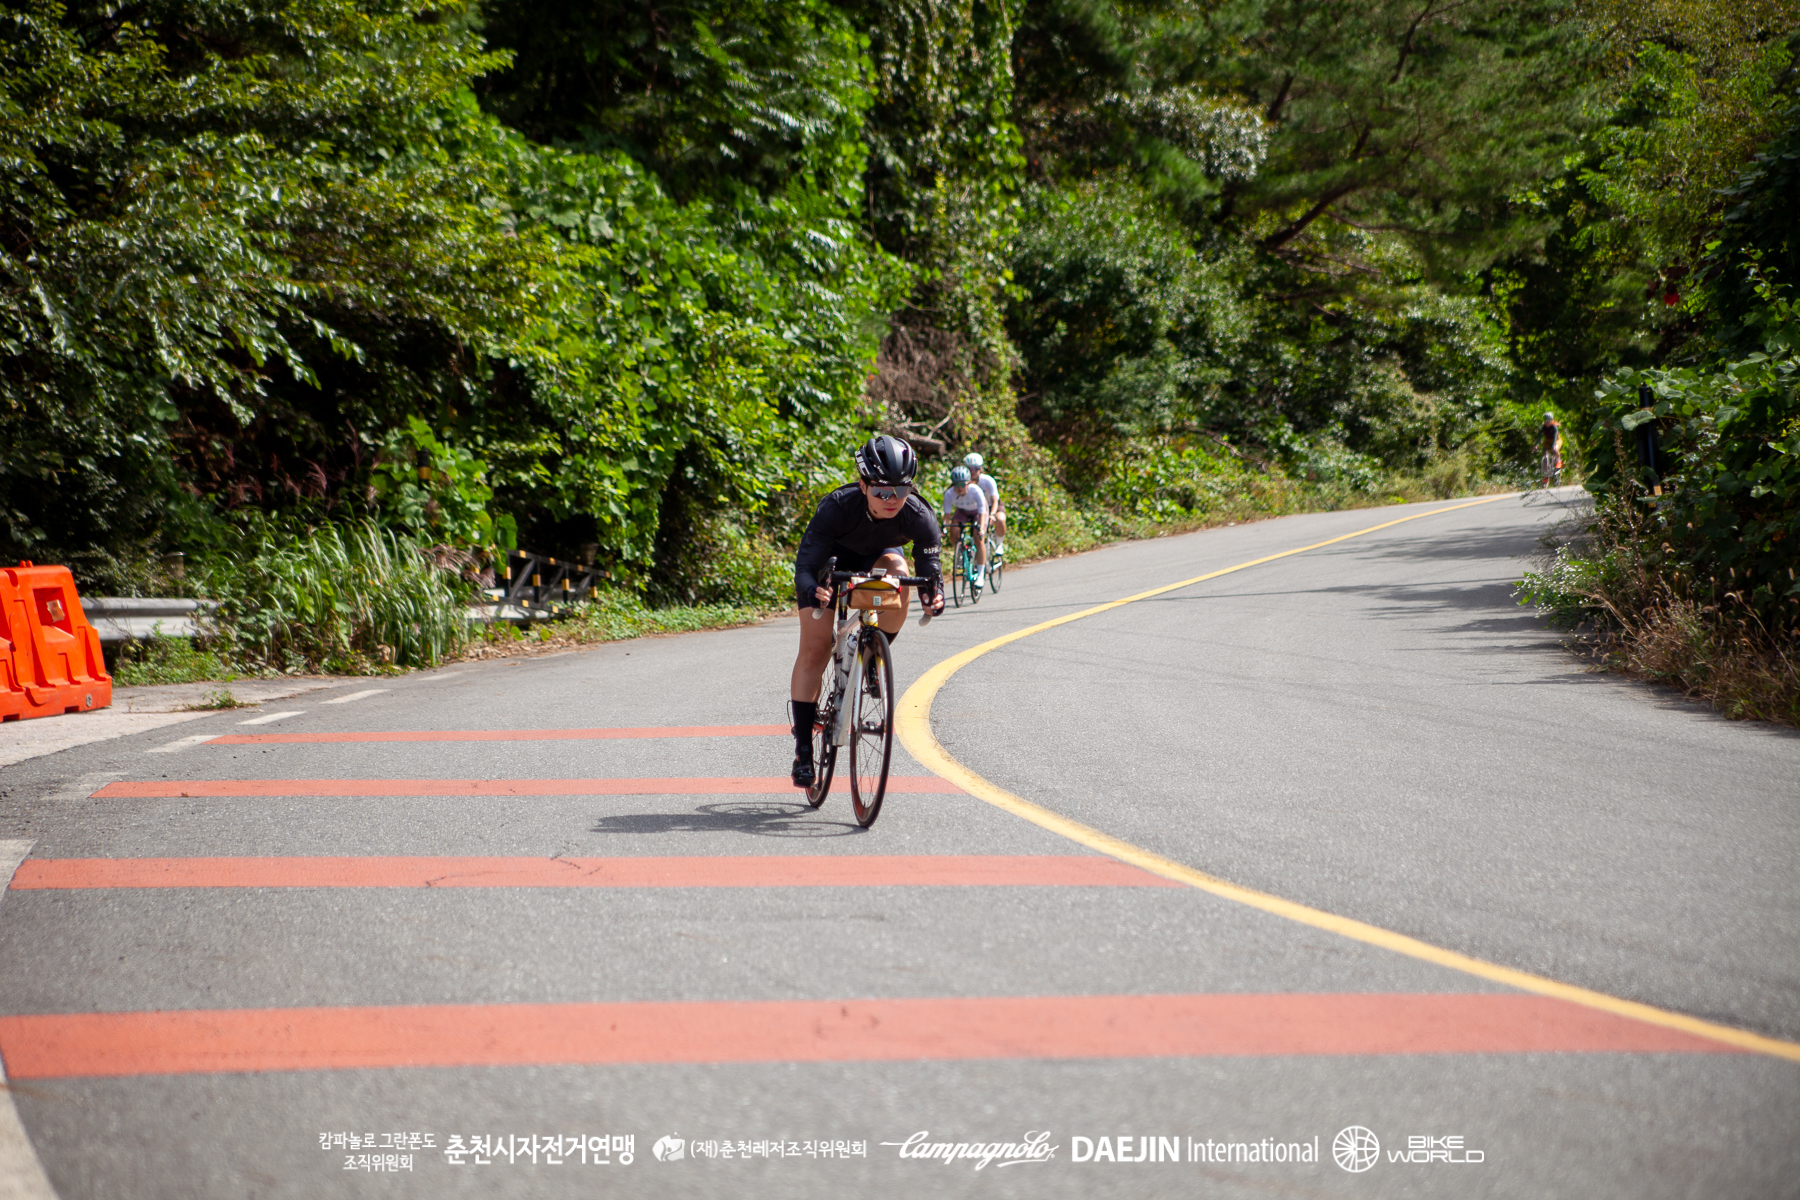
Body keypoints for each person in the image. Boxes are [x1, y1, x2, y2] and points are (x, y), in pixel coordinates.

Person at [788, 434, 943, 787]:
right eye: (882, 492)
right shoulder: (836, 507)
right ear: (863, 485)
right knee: (815, 649)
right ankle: (803, 750)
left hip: (879, 558)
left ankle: (872, 651)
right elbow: (805, 568)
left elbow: (930, 571)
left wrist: (933, 596)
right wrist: (814, 590)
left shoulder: (919, 515)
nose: (892, 500)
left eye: (901, 491)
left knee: (900, 575)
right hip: (830, 564)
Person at [942, 465, 989, 587]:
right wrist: (944, 529)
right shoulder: (949, 494)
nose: (959, 488)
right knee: (954, 530)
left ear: (969, 483)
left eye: (963, 485)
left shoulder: (976, 491)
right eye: (956, 485)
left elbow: (982, 513)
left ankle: (980, 574)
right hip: (962, 511)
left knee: (979, 538)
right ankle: (960, 553)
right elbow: (947, 516)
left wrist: (982, 528)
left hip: (977, 512)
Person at [964, 452, 1004, 544]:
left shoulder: (988, 480)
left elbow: (995, 500)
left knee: (1000, 519)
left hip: (991, 506)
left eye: (975, 468)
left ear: (980, 468)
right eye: (970, 469)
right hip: (976, 509)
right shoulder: (964, 483)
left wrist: (992, 514)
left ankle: (999, 544)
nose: (972, 472)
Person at [1540, 412, 1563, 487]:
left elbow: (1555, 437)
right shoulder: (1543, 427)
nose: (1547, 423)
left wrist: (1553, 445)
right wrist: (1536, 445)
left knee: (1555, 449)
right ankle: (1545, 474)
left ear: (1551, 421)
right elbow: (1538, 436)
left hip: (1556, 440)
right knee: (1544, 454)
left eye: (1548, 421)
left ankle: (1558, 461)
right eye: (1546, 421)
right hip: (1547, 441)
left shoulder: (1554, 427)